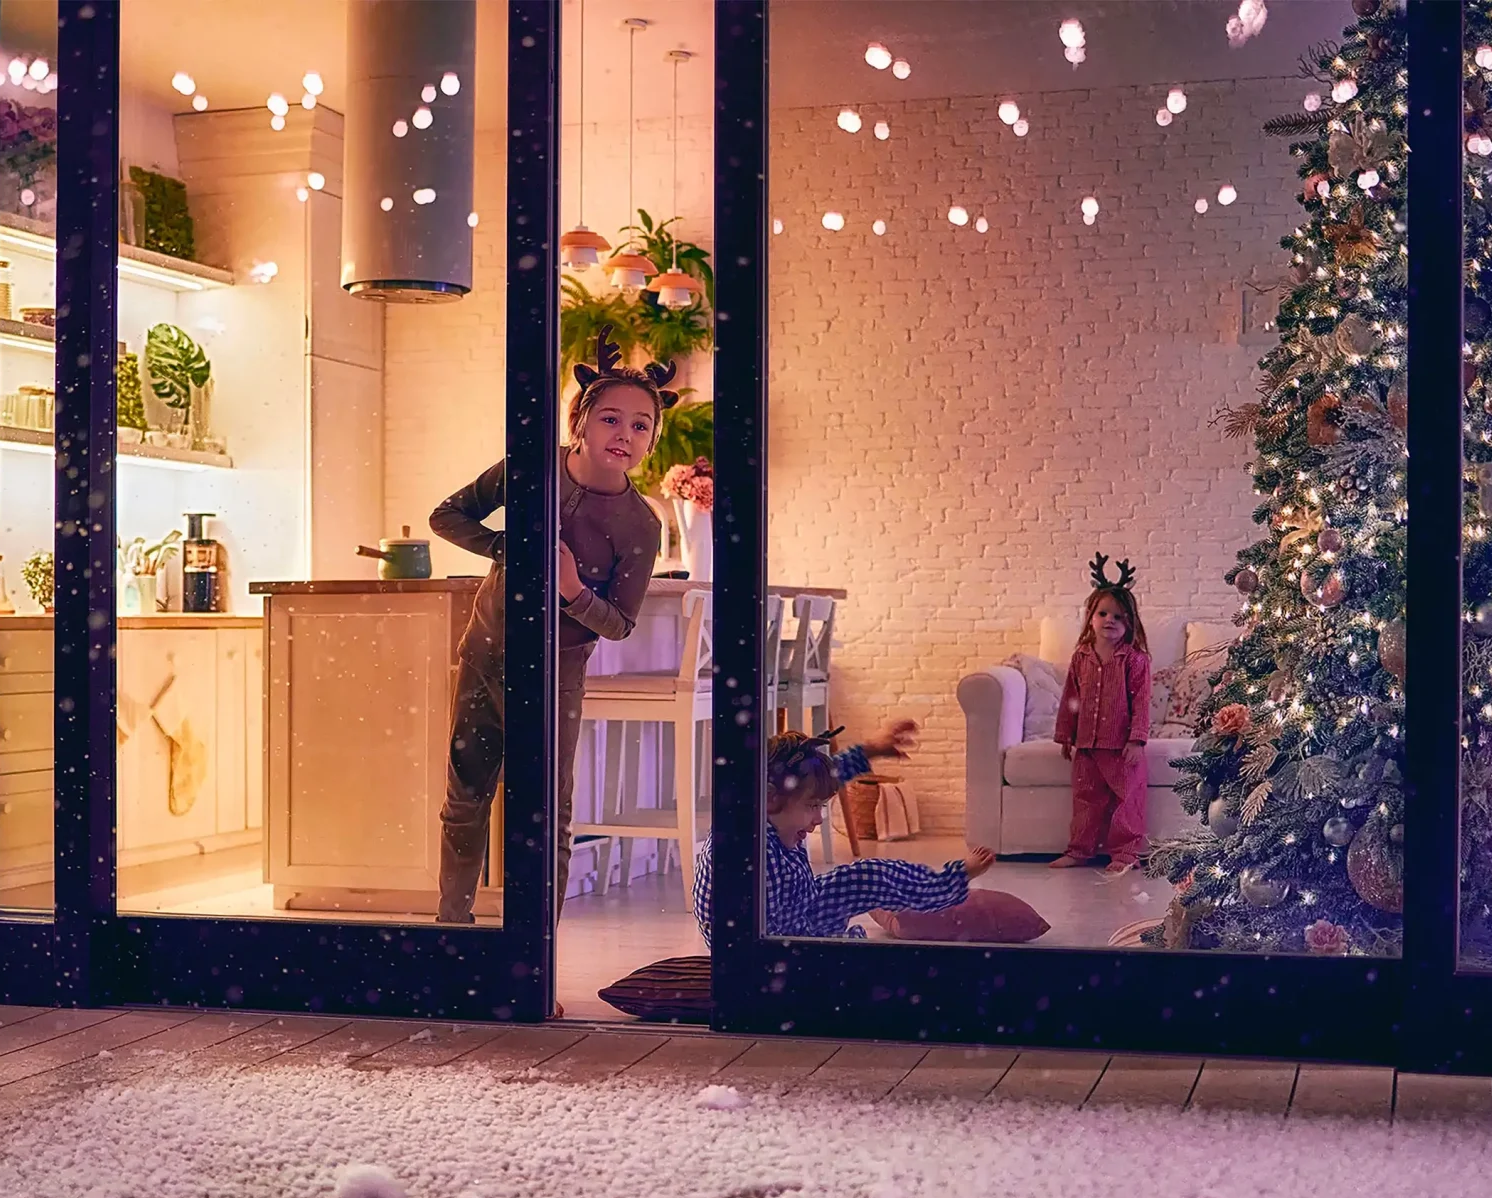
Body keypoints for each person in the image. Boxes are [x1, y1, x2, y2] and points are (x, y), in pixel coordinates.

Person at [429, 336, 671, 925]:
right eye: (611, 418)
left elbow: (617, 624)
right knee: (465, 801)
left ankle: (537, 955)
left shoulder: (640, 525)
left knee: (544, 816)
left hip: (555, 678)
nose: (625, 434)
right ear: (581, 421)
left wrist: (572, 591)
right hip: (486, 657)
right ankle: (451, 932)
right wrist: (509, 548)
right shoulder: (529, 469)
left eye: (641, 426)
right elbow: (447, 515)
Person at [691, 721, 998, 943]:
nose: (818, 818)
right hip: (768, 950)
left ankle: (949, 880)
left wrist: (869, 750)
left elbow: (827, 777)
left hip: (798, 911)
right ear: (769, 797)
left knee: (868, 875)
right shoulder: (746, 848)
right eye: (813, 806)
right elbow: (760, 942)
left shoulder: (777, 812)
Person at [1051, 555, 1152, 877]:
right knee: (1086, 799)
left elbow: (1142, 702)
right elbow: (1071, 698)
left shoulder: (1134, 660)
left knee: (1127, 799)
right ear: (1091, 617)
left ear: (1130, 623)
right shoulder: (1081, 656)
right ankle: (1079, 850)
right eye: (1103, 613)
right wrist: (1066, 735)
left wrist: (1137, 740)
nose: (1110, 620)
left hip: (1121, 745)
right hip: (1087, 744)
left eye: (1119, 617)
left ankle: (1125, 853)